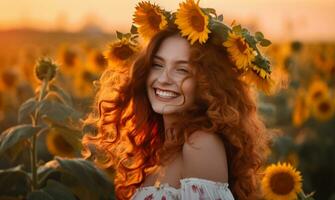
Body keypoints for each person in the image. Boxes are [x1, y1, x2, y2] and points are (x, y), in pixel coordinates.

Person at [82, 1, 274, 199]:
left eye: (182, 70)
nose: (163, 78)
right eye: (157, 65)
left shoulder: (201, 145)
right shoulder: (162, 149)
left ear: (207, 83)